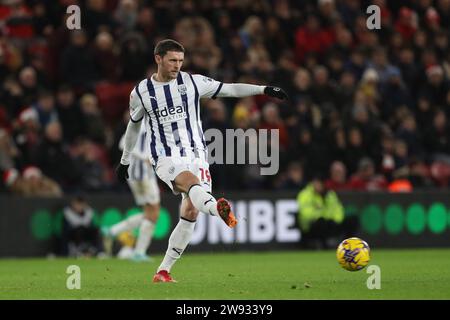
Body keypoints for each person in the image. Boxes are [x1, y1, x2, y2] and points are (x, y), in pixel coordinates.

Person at [115, 39, 287, 282]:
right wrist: (125, 161)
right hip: (165, 156)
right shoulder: (141, 92)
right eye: (172, 60)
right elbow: (133, 127)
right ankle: (218, 209)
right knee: (189, 183)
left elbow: (229, 89)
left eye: (180, 61)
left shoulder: (192, 82)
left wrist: (264, 90)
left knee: (191, 210)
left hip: (197, 155)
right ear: (158, 59)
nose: (177, 65)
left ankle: (163, 271)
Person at [102, 121, 161, 262]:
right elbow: (123, 143)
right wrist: (144, 156)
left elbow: (123, 143)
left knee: (149, 213)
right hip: (143, 175)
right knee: (154, 213)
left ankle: (113, 231)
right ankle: (139, 252)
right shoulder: (148, 125)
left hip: (134, 175)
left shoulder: (138, 124)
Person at [297, 175, 357, 249]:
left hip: (330, 222)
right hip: (311, 225)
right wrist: (321, 216)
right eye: (315, 183)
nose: (317, 186)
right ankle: (324, 246)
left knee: (352, 220)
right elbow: (305, 213)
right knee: (321, 222)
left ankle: (349, 246)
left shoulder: (330, 194)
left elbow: (338, 209)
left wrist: (336, 220)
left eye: (319, 183)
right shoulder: (305, 194)